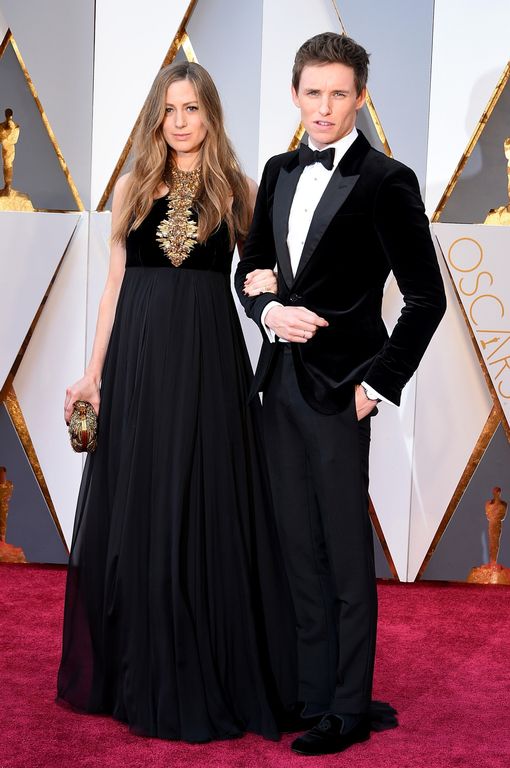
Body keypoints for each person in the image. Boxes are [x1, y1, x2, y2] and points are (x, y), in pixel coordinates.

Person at [57, 61, 297, 743]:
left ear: (209, 114)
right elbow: (112, 288)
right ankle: (141, 665)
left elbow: (260, 277)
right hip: (137, 357)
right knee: (143, 501)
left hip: (206, 358)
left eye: (192, 107)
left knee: (202, 500)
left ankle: (207, 662)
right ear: (157, 118)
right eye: (171, 109)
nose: (182, 120)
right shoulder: (132, 187)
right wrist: (93, 374)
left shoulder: (237, 190)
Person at [235, 32, 447, 756]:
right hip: (279, 388)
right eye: (312, 92)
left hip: (340, 393)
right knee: (297, 547)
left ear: (360, 97)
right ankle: (312, 691)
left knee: (346, 557)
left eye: (338, 93)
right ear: (295, 95)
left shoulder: (388, 180)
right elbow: (253, 266)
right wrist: (264, 310)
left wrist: (377, 385)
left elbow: (426, 299)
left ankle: (348, 709)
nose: (324, 107)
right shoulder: (276, 169)